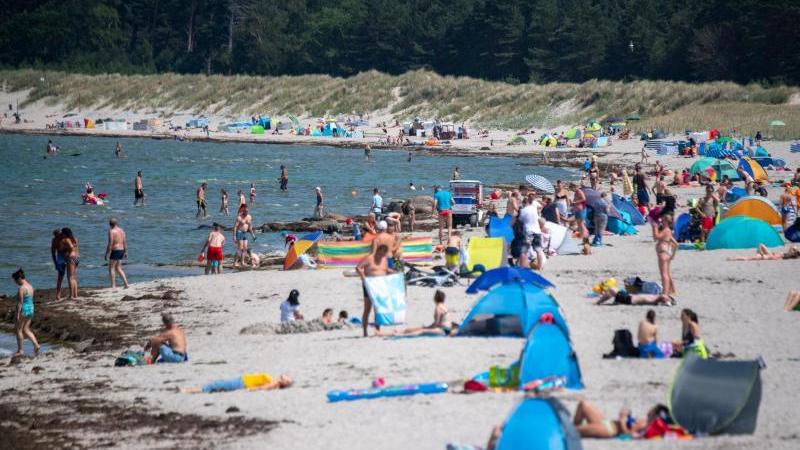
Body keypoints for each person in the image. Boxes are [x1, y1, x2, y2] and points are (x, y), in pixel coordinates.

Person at [571, 400, 668, 439]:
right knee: (584, 404)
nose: (650, 408)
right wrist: (626, 416)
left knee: (571, 431)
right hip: (607, 422)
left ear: (655, 414)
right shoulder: (644, 421)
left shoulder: (645, 425)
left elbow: (628, 434)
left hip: (608, 429)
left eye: (653, 408)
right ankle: (574, 426)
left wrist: (622, 418)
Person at [381, 290, 456, 336]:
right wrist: (427, 327)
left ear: (435, 298)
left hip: (443, 330)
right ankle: (399, 332)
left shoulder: (438, 308)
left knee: (420, 331)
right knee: (419, 329)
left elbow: (436, 324)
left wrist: (427, 327)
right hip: (446, 329)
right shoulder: (444, 306)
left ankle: (393, 333)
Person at [356, 244, 393, 337]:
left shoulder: (384, 259)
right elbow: (358, 267)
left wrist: (392, 272)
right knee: (367, 309)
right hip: (369, 285)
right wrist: (363, 277)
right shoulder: (369, 258)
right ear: (378, 251)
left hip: (380, 285)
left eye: (384, 254)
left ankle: (377, 330)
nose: (383, 256)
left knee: (378, 309)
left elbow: (384, 269)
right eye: (382, 254)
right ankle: (365, 332)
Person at [12, 269, 40, 357]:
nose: (16, 283)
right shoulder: (30, 286)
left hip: (23, 309)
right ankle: (36, 345)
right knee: (26, 329)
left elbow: (20, 302)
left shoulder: (22, 288)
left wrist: (17, 314)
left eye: (16, 281)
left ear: (19, 278)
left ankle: (20, 350)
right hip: (31, 308)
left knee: (19, 330)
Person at [179, 373, 292, 393]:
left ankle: (185, 390)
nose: (287, 376)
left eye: (288, 379)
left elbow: (262, 388)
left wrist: (250, 390)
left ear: (284, 382)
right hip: (241, 381)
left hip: (241, 384)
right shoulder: (274, 381)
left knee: (215, 386)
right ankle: (187, 390)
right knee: (216, 385)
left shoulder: (274, 383)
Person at [652, 214, 678, 297]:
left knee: (663, 274)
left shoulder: (666, 230)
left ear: (666, 221)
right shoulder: (669, 231)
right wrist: (673, 255)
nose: (661, 221)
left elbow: (656, 237)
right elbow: (676, 244)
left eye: (662, 220)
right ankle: (672, 290)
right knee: (667, 273)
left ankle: (665, 292)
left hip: (663, 253)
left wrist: (654, 228)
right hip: (667, 253)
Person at [517, 194, 545, 269]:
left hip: (528, 231)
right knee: (538, 250)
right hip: (537, 230)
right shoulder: (534, 209)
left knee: (524, 250)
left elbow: (520, 220)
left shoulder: (523, 210)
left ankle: (522, 267)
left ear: (524, 203)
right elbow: (539, 211)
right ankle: (540, 266)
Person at [104, 218, 129, 289]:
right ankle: (126, 284)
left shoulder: (111, 231)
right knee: (118, 268)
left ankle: (113, 285)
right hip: (121, 250)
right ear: (116, 223)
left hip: (115, 250)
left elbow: (110, 243)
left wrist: (107, 253)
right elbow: (124, 242)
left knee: (111, 268)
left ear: (110, 224)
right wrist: (126, 251)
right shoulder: (122, 230)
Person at [594, 287, 673, 306]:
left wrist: (668, 301)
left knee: (612, 289)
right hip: (629, 298)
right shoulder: (656, 298)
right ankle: (600, 302)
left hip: (629, 299)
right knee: (612, 290)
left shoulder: (658, 298)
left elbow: (665, 300)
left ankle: (598, 302)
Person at [60, 227, 80, 300]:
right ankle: (75, 295)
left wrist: (67, 252)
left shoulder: (66, 239)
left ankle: (71, 296)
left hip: (71, 258)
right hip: (77, 257)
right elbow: (76, 248)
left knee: (70, 277)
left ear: (65, 233)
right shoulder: (75, 238)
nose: (61, 234)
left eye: (62, 233)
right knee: (74, 277)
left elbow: (71, 248)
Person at [728, 244, 799, 261]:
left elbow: (775, 258)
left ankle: (732, 258)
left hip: (767, 256)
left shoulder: (787, 255)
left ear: (793, 252)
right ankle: (733, 258)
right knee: (761, 245)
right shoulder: (786, 254)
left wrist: (772, 255)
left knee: (747, 258)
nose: (791, 247)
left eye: (793, 249)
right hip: (769, 255)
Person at [51, 229, 66, 301]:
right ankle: (58, 294)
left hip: (67, 256)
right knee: (60, 277)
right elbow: (53, 253)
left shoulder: (65, 239)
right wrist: (55, 263)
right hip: (60, 257)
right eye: (58, 235)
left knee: (71, 276)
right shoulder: (54, 241)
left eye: (60, 235)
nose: (60, 236)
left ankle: (71, 293)